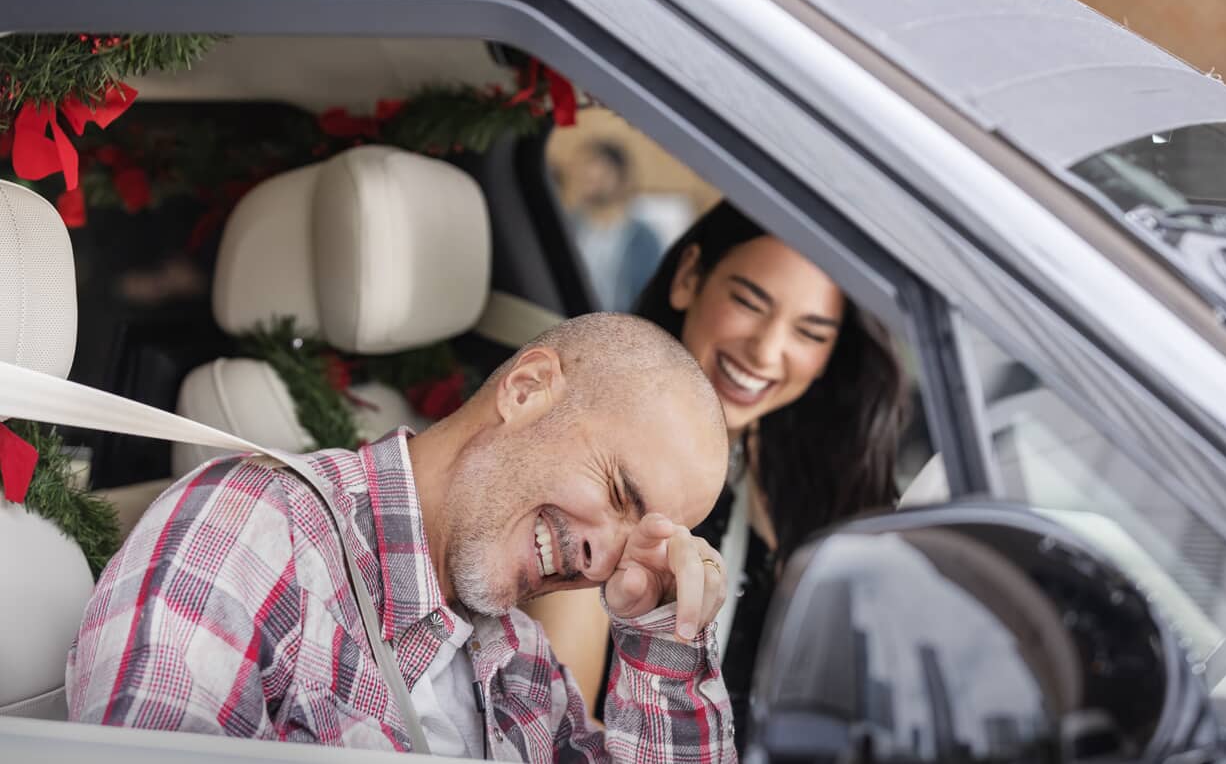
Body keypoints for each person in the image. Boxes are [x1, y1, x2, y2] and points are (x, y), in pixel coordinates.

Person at [67, 314, 737, 761]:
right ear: (527, 389)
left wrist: (666, 649)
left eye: (642, 539)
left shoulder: (519, 659)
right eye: (620, 492)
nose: (605, 558)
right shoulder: (254, 531)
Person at [528, 203, 907, 751]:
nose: (767, 351)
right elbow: (558, 734)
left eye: (810, 332)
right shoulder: (592, 464)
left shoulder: (796, 478)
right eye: (750, 303)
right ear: (688, 278)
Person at [569, 140, 663, 311]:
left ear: (621, 179)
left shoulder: (644, 239)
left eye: (601, 176)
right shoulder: (567, 226)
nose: (592, 181)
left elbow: (649, 297)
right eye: (588, 177)